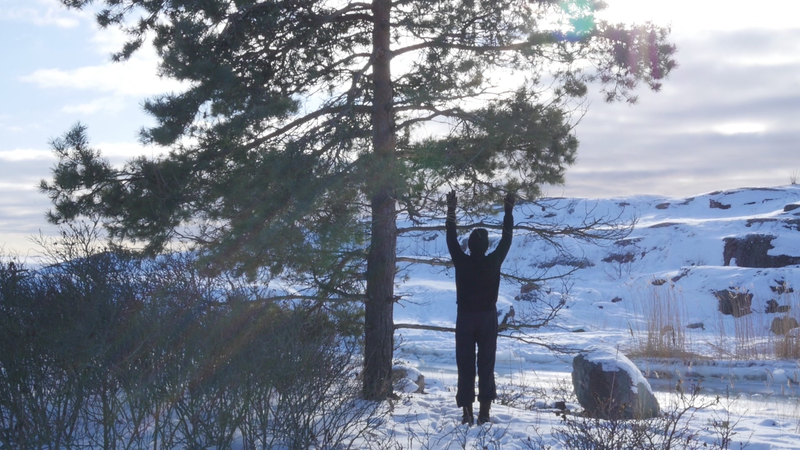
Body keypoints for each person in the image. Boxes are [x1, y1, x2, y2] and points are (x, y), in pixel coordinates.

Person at [446, 190, 515, 425]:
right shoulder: (493, 261)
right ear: (485, 246)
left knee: (465, 365)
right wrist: (508, 210)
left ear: (469, 245)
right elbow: (507, 239)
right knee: (486, 364)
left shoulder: (461, 261)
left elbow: (451, 239)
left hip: (465, 318)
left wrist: (451, 210)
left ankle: (467, 411)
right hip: (486, 318)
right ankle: (484, 412)